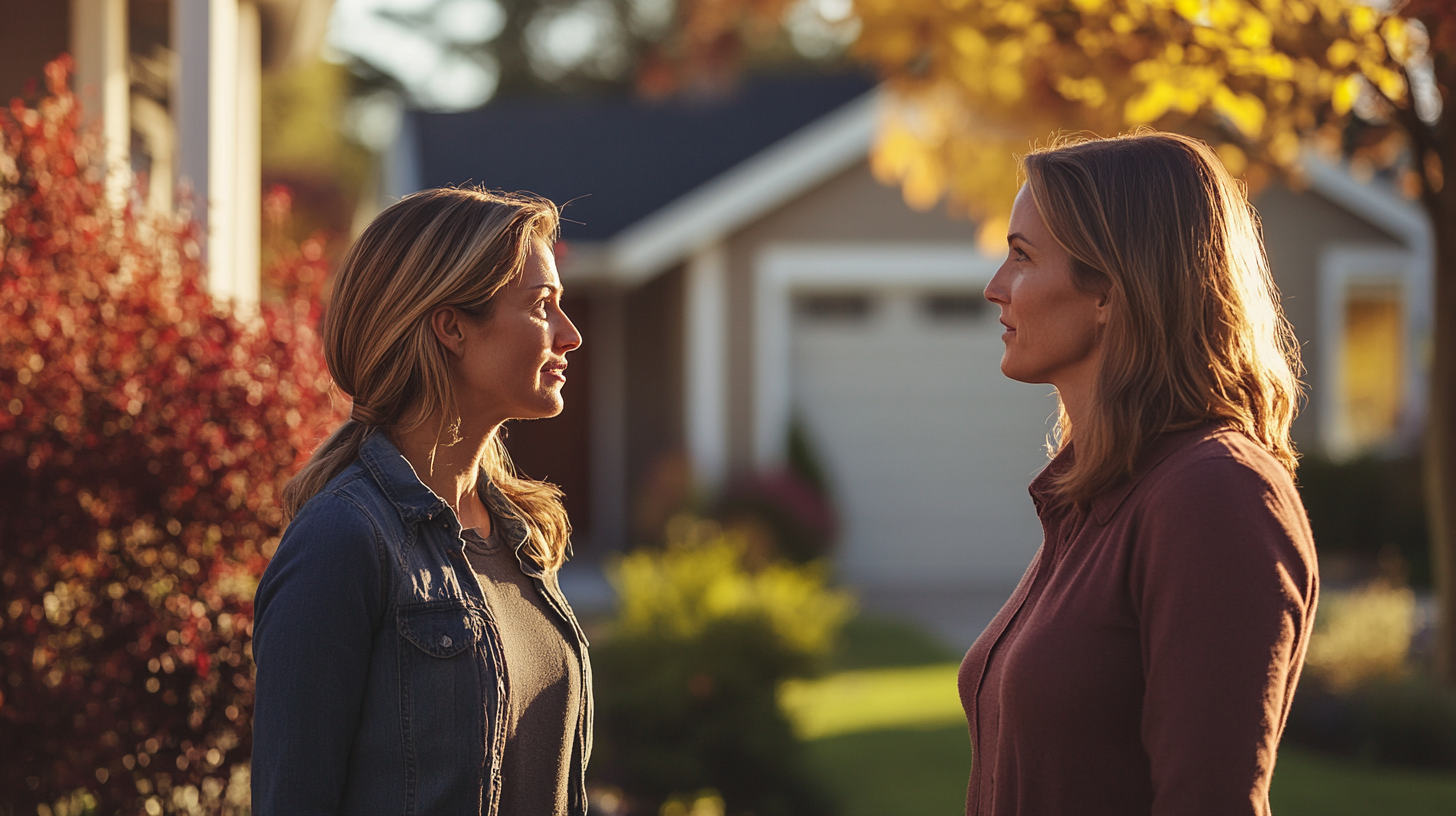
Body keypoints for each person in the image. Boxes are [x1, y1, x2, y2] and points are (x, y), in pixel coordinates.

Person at [963, 132, 1318, 815]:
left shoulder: (1213, 495)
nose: (994, 288)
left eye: (1022, 257)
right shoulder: (1098, 495)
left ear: (1110, 290)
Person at [251, 188, 591, 815]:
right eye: (543, 306)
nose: (569, 336)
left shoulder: (522, 539)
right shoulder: (344, 540)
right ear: (452, 327)